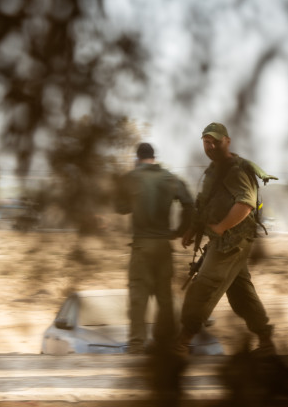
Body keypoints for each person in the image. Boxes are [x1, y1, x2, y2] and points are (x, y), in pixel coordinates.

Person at [175, 122, 276, 356]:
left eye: (215, 142)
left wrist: (220, 228)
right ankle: (266, 342)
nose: (210, 146)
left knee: (204, 286)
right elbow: (205, 203)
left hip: (232, 242)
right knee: (241, 294)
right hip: (225, 240)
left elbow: (246, 204)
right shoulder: (214, 170)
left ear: (227, 142)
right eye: (206, 142)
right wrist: (193, 229)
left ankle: (182, 342)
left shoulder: (236, 170)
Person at [115, 142, 194, 354]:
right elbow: (189, 205)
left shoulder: (131, 177)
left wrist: (135, 199)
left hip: (142, 245)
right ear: (154, 158)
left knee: (138, 297)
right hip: (164, 245)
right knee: (165, 297)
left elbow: (120, 208)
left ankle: (136, 344)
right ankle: (166, 343)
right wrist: (180, 231)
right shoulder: (170, 178)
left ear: (137, 158)